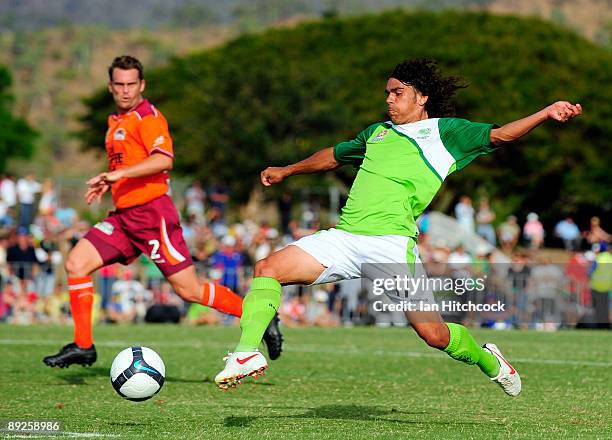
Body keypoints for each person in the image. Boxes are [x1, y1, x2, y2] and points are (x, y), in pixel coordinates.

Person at [214, 58, 582, 396]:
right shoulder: (377, 133)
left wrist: (546, 113)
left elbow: (501, 135)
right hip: (343, 238)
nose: (389, 99)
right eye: (387, 93)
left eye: (397, 93)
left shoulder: (445, 133)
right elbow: (333, 156)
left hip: (389, 248)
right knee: (267, 269)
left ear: (421, 97)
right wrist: (288, 169)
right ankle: (246, 353)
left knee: (434, 335)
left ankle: (490, 360)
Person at [43, 55, 282, 368]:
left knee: (189, 289)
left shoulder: (148, 118)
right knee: (76, 263)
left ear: (142, 85)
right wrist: (110, 182)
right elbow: (126, 165)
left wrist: (117, 176)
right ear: (110, 86)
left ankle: (260, 316)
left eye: (132, 84)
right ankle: (83, 346)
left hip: (152, 215)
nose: (126, 90)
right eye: (120, 84)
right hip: (124, 217)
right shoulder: (115, 121)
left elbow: (163, 159)